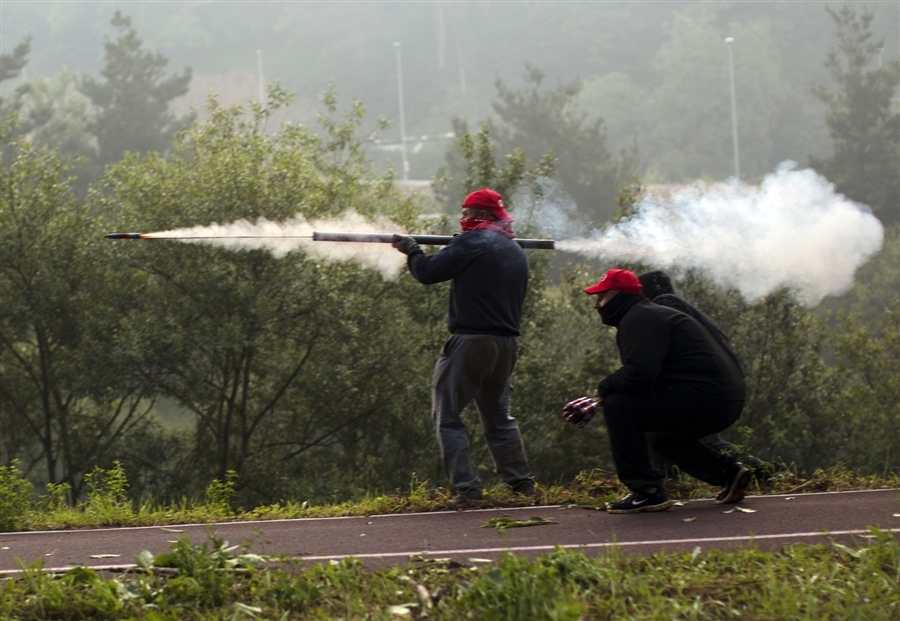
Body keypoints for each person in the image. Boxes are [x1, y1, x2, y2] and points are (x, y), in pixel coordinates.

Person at [391, 188, 535, 505]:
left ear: (482, 216)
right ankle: (522, 485)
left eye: (467, 214)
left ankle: (467, 490)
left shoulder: (472, 242)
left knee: (448, 417)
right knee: (499, 418)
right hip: (507, 344)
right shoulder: (513, 248)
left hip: (471, 341)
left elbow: (427, 272)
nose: (463, 219)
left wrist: (412, 250)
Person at [567, 268, 751, 513]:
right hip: (725, 400)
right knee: (662, 437)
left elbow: (640, 374)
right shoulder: (648, 314)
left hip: (709, 399)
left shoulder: (638, 318)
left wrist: (603, 390)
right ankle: (728, 473)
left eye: (602, 297)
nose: (597, 305)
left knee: (619, 406)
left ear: (620, 296)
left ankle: (646, 491)